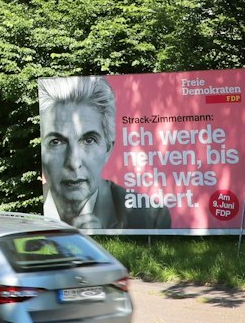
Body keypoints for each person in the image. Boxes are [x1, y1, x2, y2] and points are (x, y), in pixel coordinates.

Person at [39, 76, 170, 231]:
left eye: (88, 140)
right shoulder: (29, 210)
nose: (74, 162)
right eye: (56, 142)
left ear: (108, 149)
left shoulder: (150, 217)